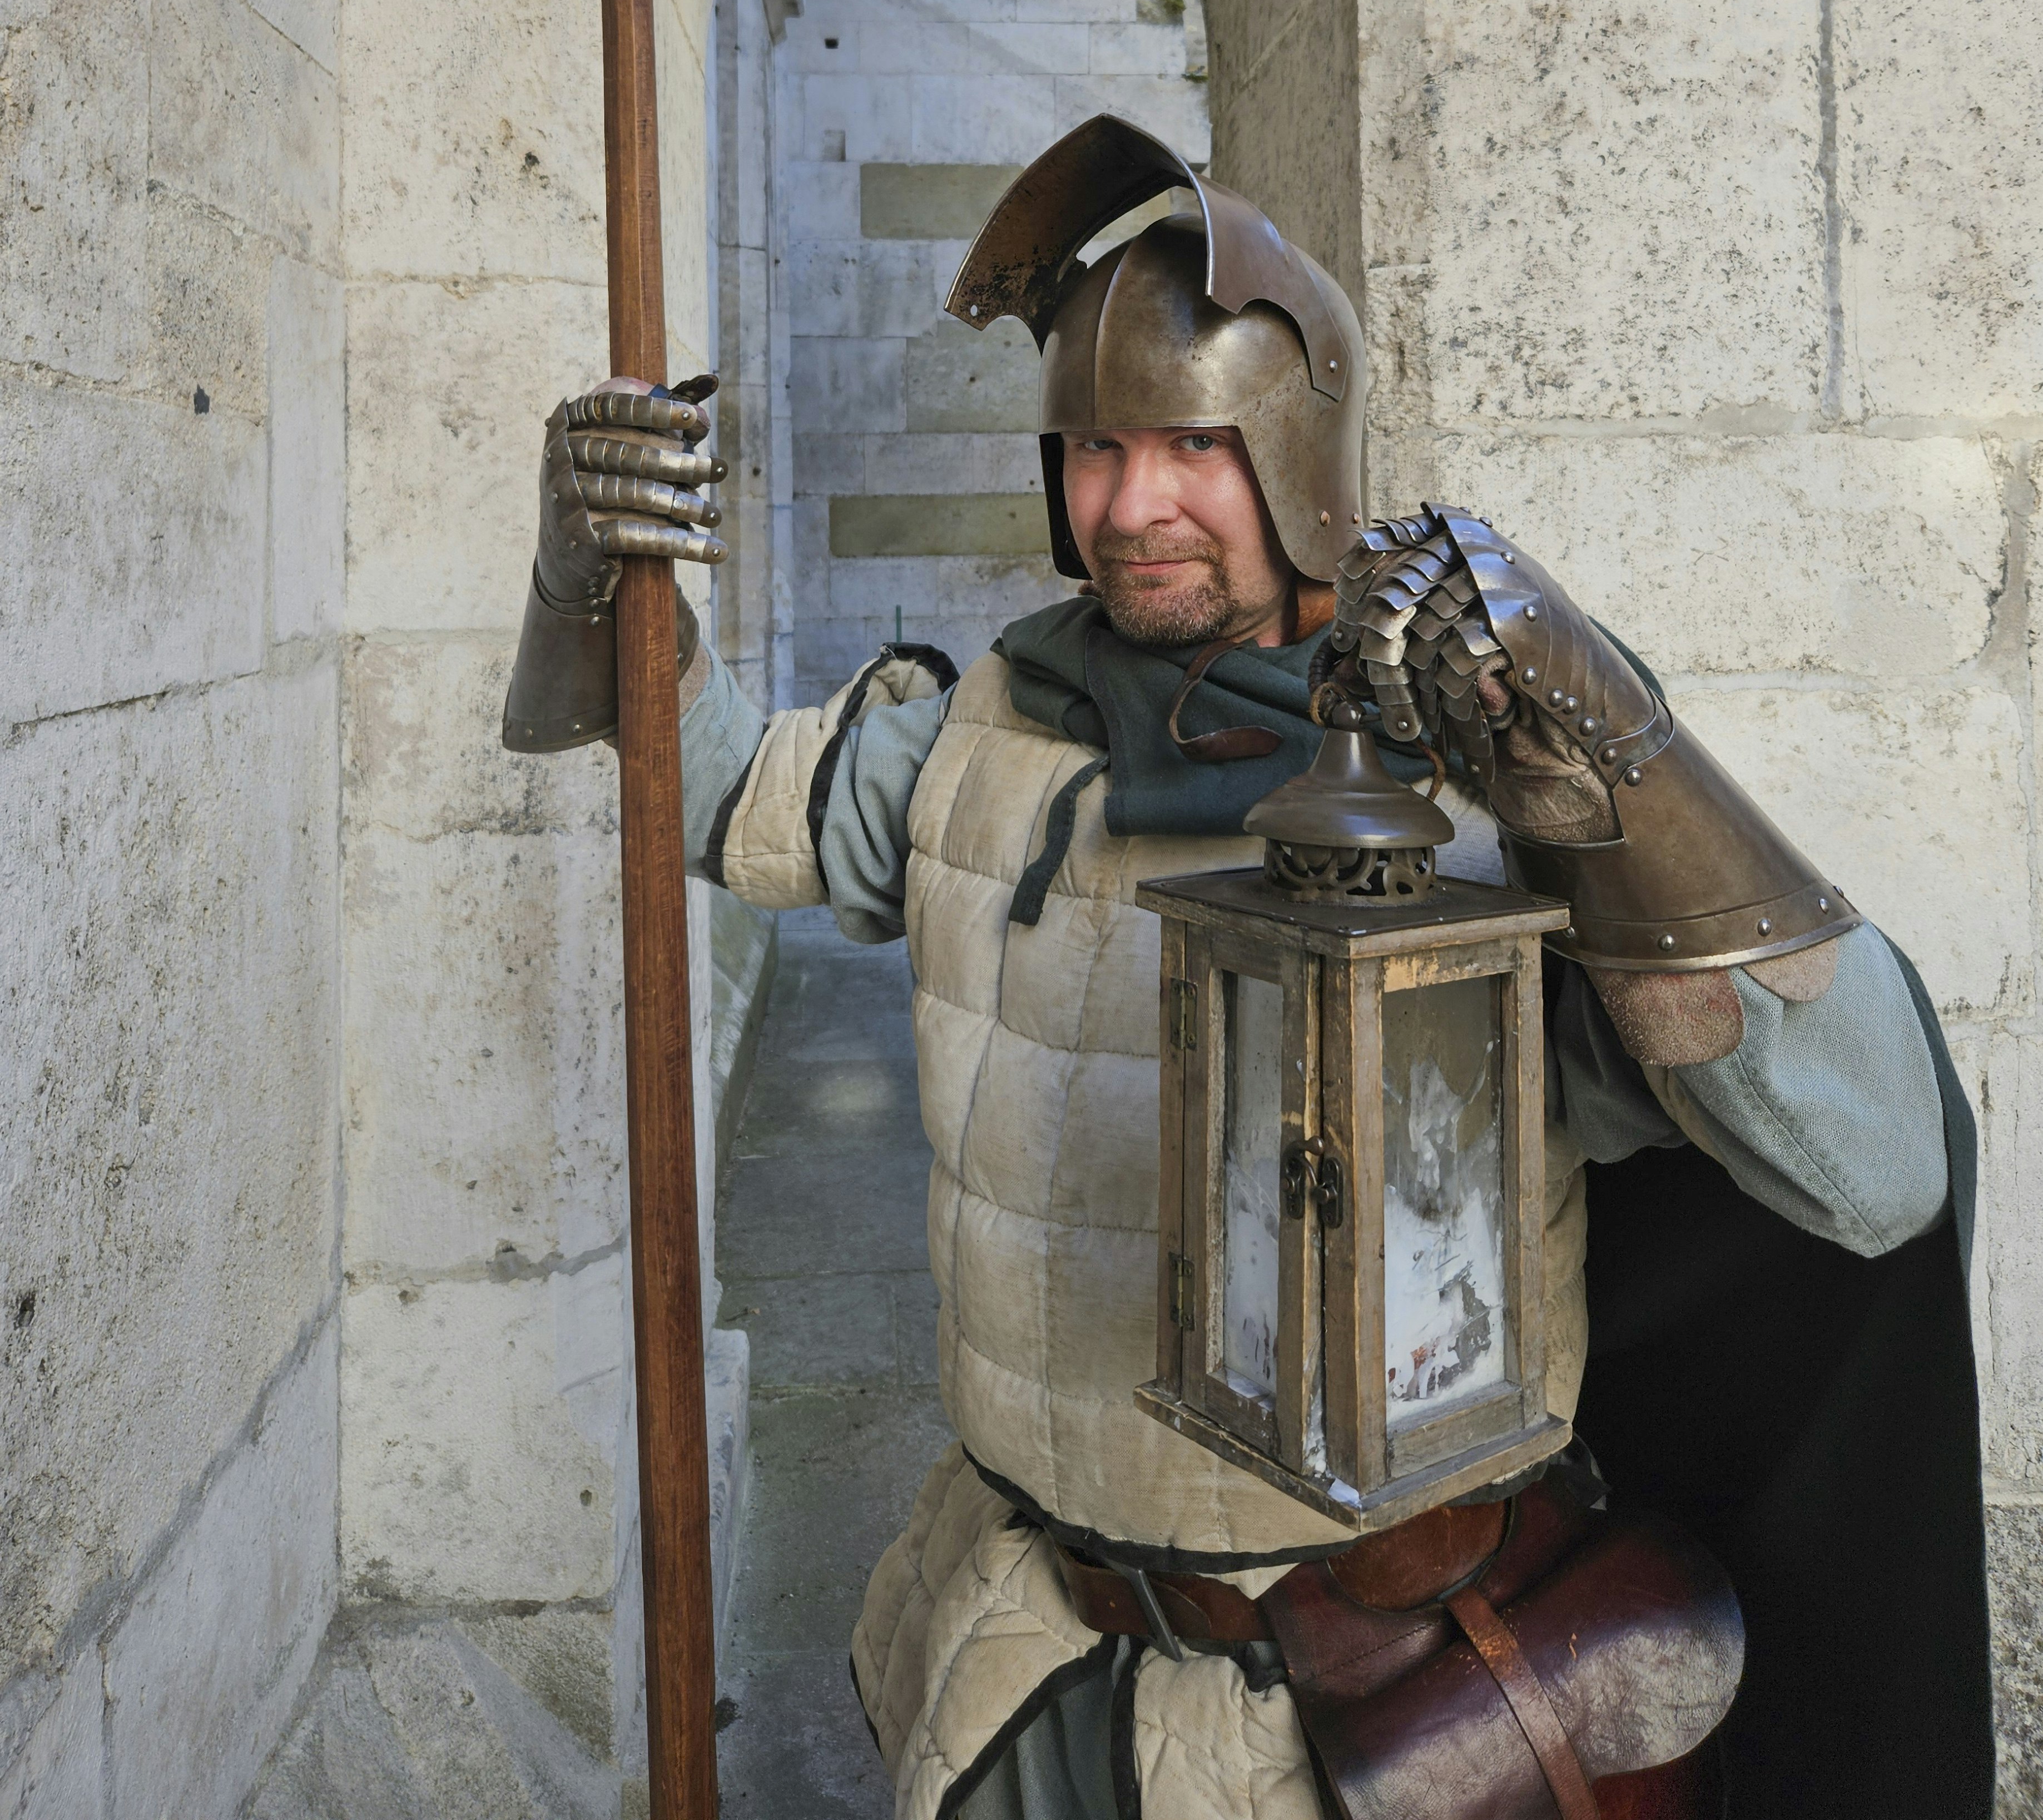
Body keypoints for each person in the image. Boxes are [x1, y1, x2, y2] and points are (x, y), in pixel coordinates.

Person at [504, 116, 1992, 1820]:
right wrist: (592, 580)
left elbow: (1868, 1158)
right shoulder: (985, 723)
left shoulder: (1479, 775)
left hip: (1362, 1710)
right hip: (1026, 1642)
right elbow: (701, 804)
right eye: (1090, 446)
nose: (1128, 501)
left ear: (1295, 450)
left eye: (1188, 444)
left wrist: (1607, 766)